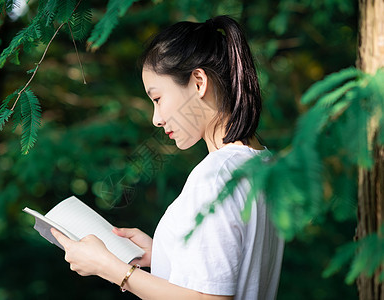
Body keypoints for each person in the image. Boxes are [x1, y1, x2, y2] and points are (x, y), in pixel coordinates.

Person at [51, 15, 284, 299]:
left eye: (158, 98)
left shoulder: (215, 175)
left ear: (198, 82)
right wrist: (163, 252)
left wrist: (109, 267)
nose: (156, 119)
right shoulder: (263, 162)